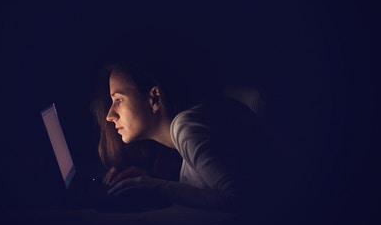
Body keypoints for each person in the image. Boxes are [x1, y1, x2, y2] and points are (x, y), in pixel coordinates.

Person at [90, 46, 273, 213]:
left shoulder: (185, 126)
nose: (109, 115)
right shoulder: (190, 126)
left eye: (118, 100)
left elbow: (241, 202)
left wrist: (159, 187)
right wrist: (148, 183)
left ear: (155, 98)